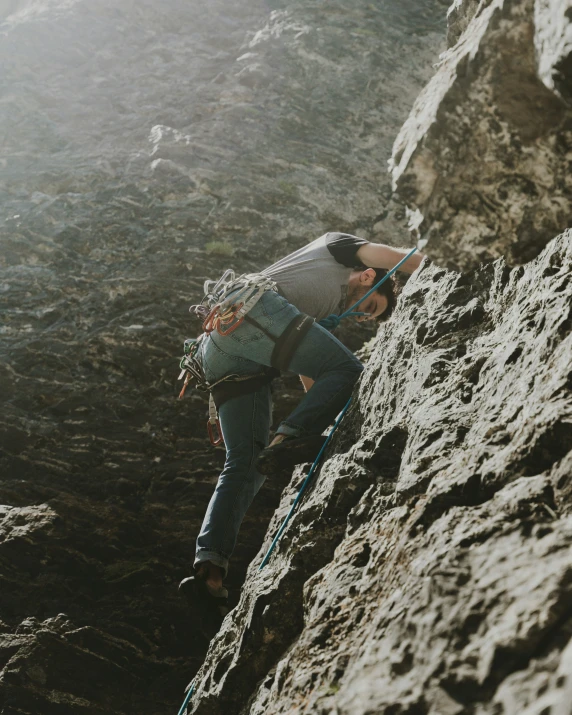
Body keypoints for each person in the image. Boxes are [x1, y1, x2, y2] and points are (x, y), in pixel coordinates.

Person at [179, 232, 422, 634]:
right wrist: (454, 257)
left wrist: (320, 422)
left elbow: (310, 369)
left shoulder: (321, 314)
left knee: (246, 463)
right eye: (372, 305)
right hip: (252, 312)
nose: (364, 315)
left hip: (222, 348)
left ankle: (209, 571)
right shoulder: (338, 248)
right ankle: (286, 440)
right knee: (348, 369)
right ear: (366, 277)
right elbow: (401, 259)